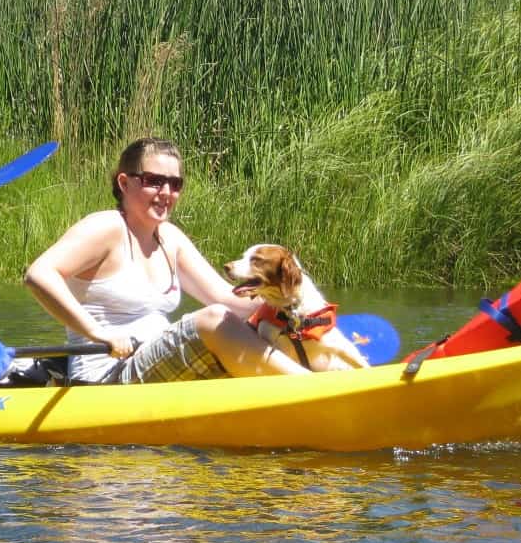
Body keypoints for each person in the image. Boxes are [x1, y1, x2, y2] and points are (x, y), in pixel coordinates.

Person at [23, 137, 312, 383]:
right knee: (213, 319)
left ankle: (315, 379)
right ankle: (309, 388)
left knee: (255, 324)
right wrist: (98, 333)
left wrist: (294, 301)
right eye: (154, 181)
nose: (166, 193)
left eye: (175, 184)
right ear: (124, 183)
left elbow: (230, 301)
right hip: (107, 376)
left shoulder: (170, 238)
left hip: (159, 368)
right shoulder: (106, 227)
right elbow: (39, 275)